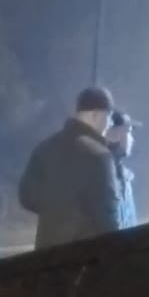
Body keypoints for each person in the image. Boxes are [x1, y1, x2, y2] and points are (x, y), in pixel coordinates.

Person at [18, 86, 124, 248]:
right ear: (96, 115)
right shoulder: (99, 156)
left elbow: (26, 197)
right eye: (108, 117)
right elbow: (109, 218)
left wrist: (56, 208)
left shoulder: (45, 148)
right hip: (83, 259)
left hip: (45, 255)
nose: (109, 124)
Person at [105, 110, 140, 230]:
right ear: (114, 134)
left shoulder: (125, 177)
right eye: (128, 132)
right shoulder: (98, 176)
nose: (132, 139)